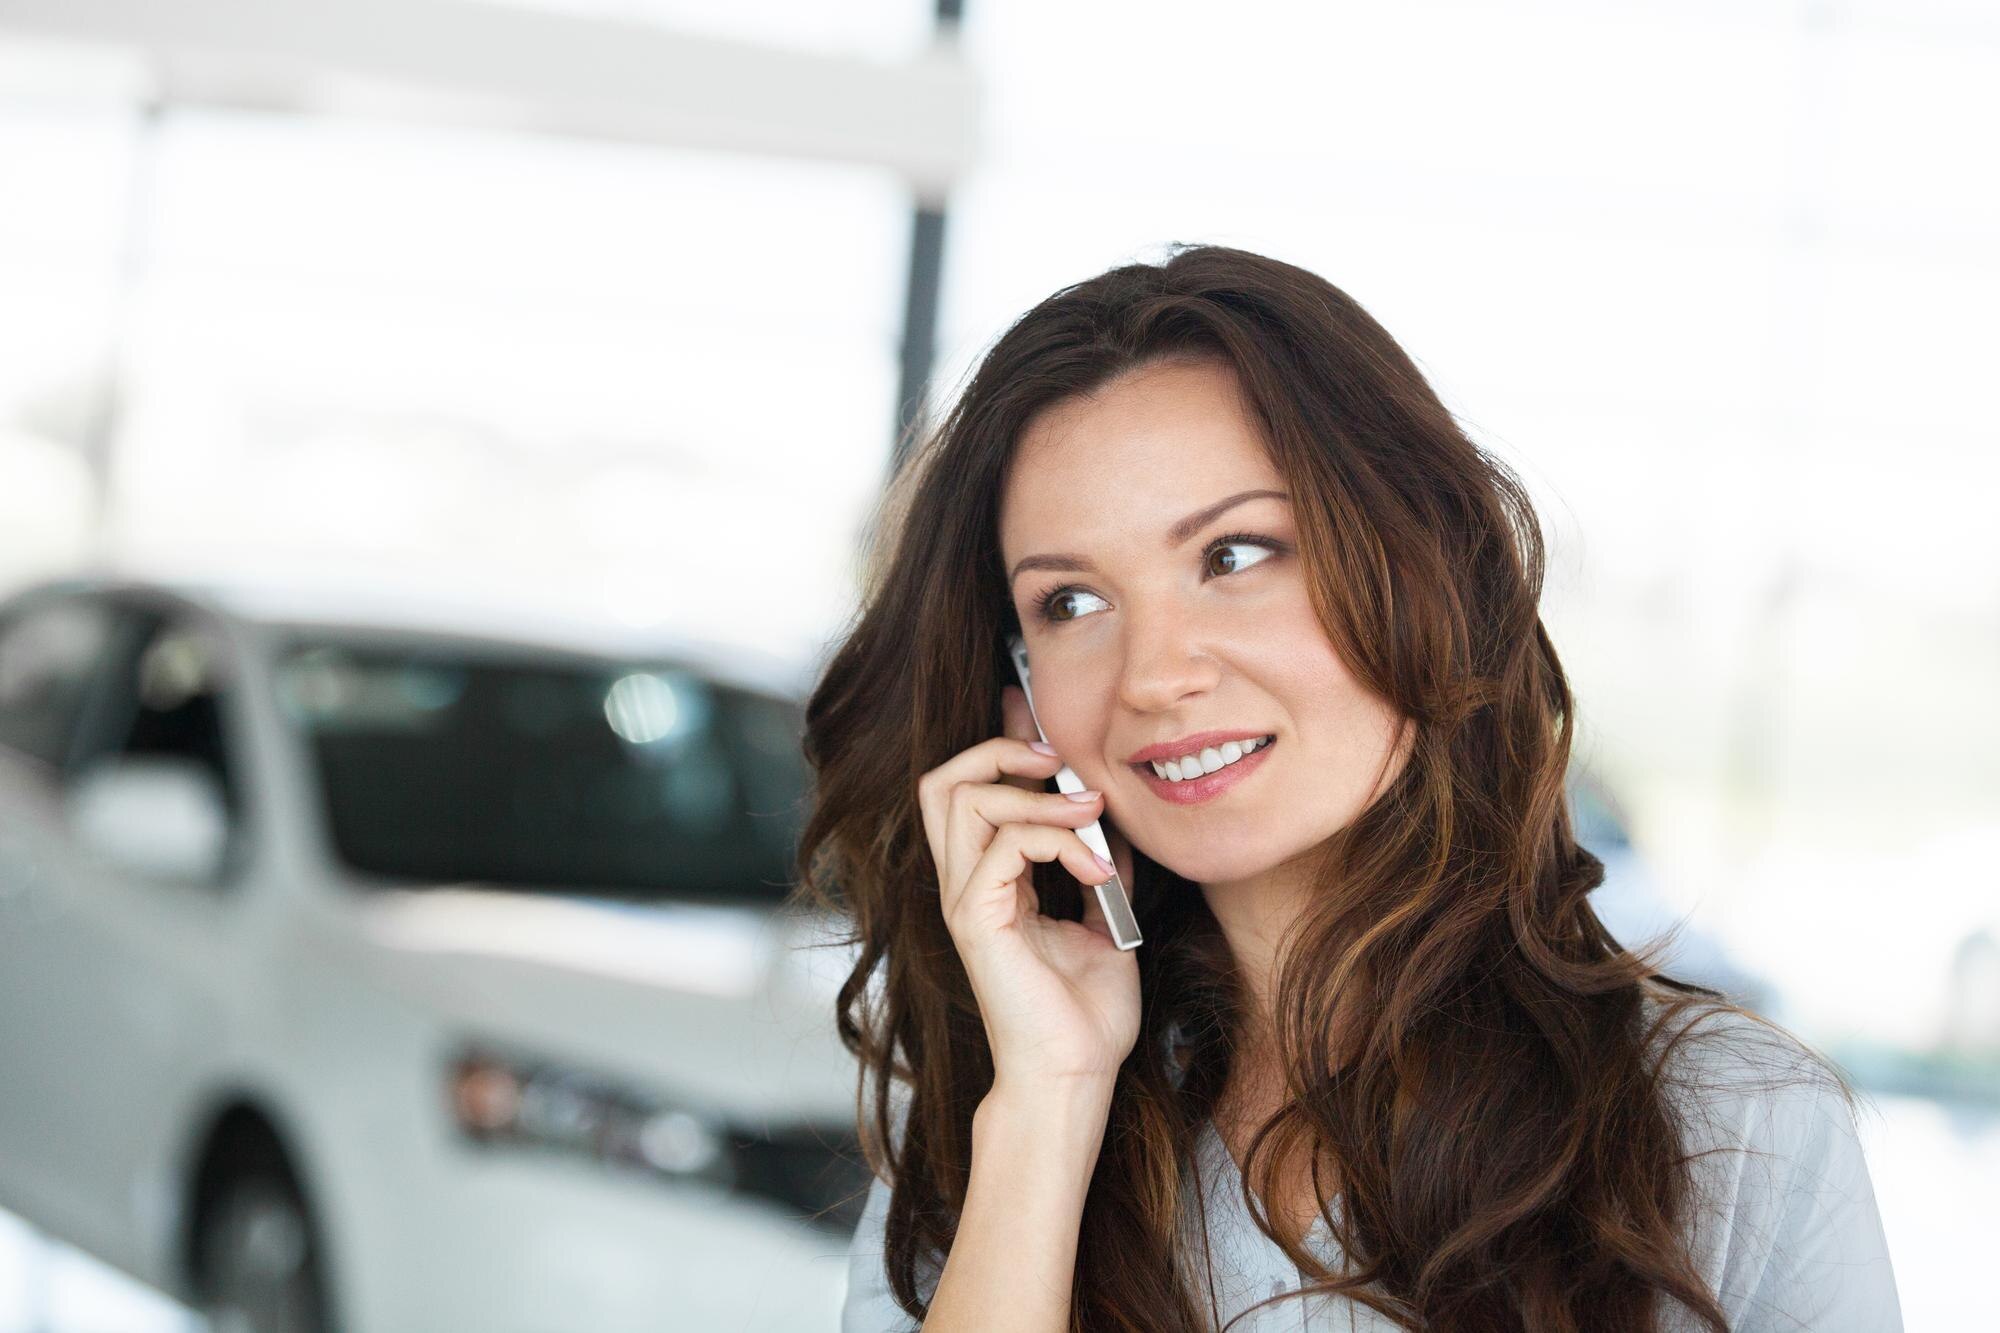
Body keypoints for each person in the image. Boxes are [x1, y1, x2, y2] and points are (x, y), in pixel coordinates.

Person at [791, 244, 1902, 1331]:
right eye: (1071, 604)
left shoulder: (1726, 1124)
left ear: (1410, 563)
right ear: (1018, 696)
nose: (1156, 676)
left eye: (1232, 555)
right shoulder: (995, 1113)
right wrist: (1050, 1098)